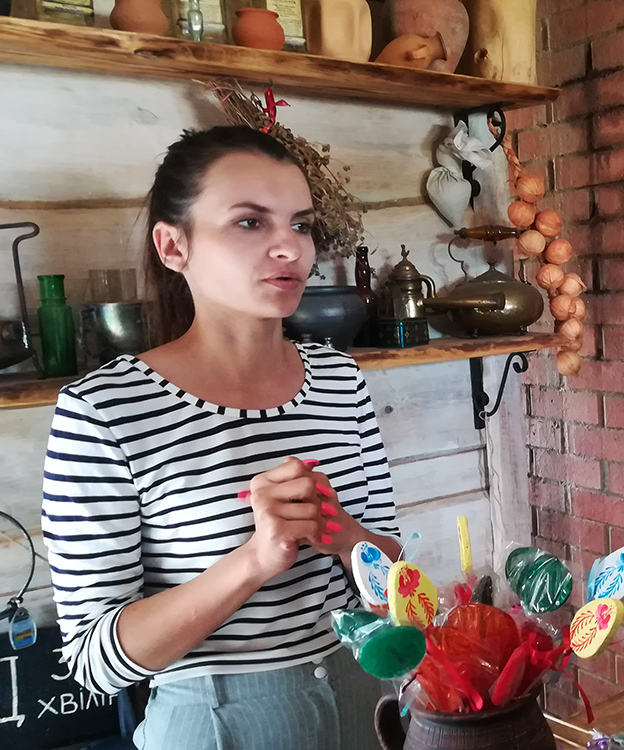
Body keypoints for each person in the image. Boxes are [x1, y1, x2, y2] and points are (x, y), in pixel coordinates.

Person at [41, 126, 402, 750]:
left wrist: (344, 534)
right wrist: (253, 562)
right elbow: (95, 662)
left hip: (365, 700)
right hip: (214, 723)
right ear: (173, 246)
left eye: (301, 224)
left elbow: (395, 573)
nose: (290, 248)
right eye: (249, 223)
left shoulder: (341, 381)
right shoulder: (104, 411)